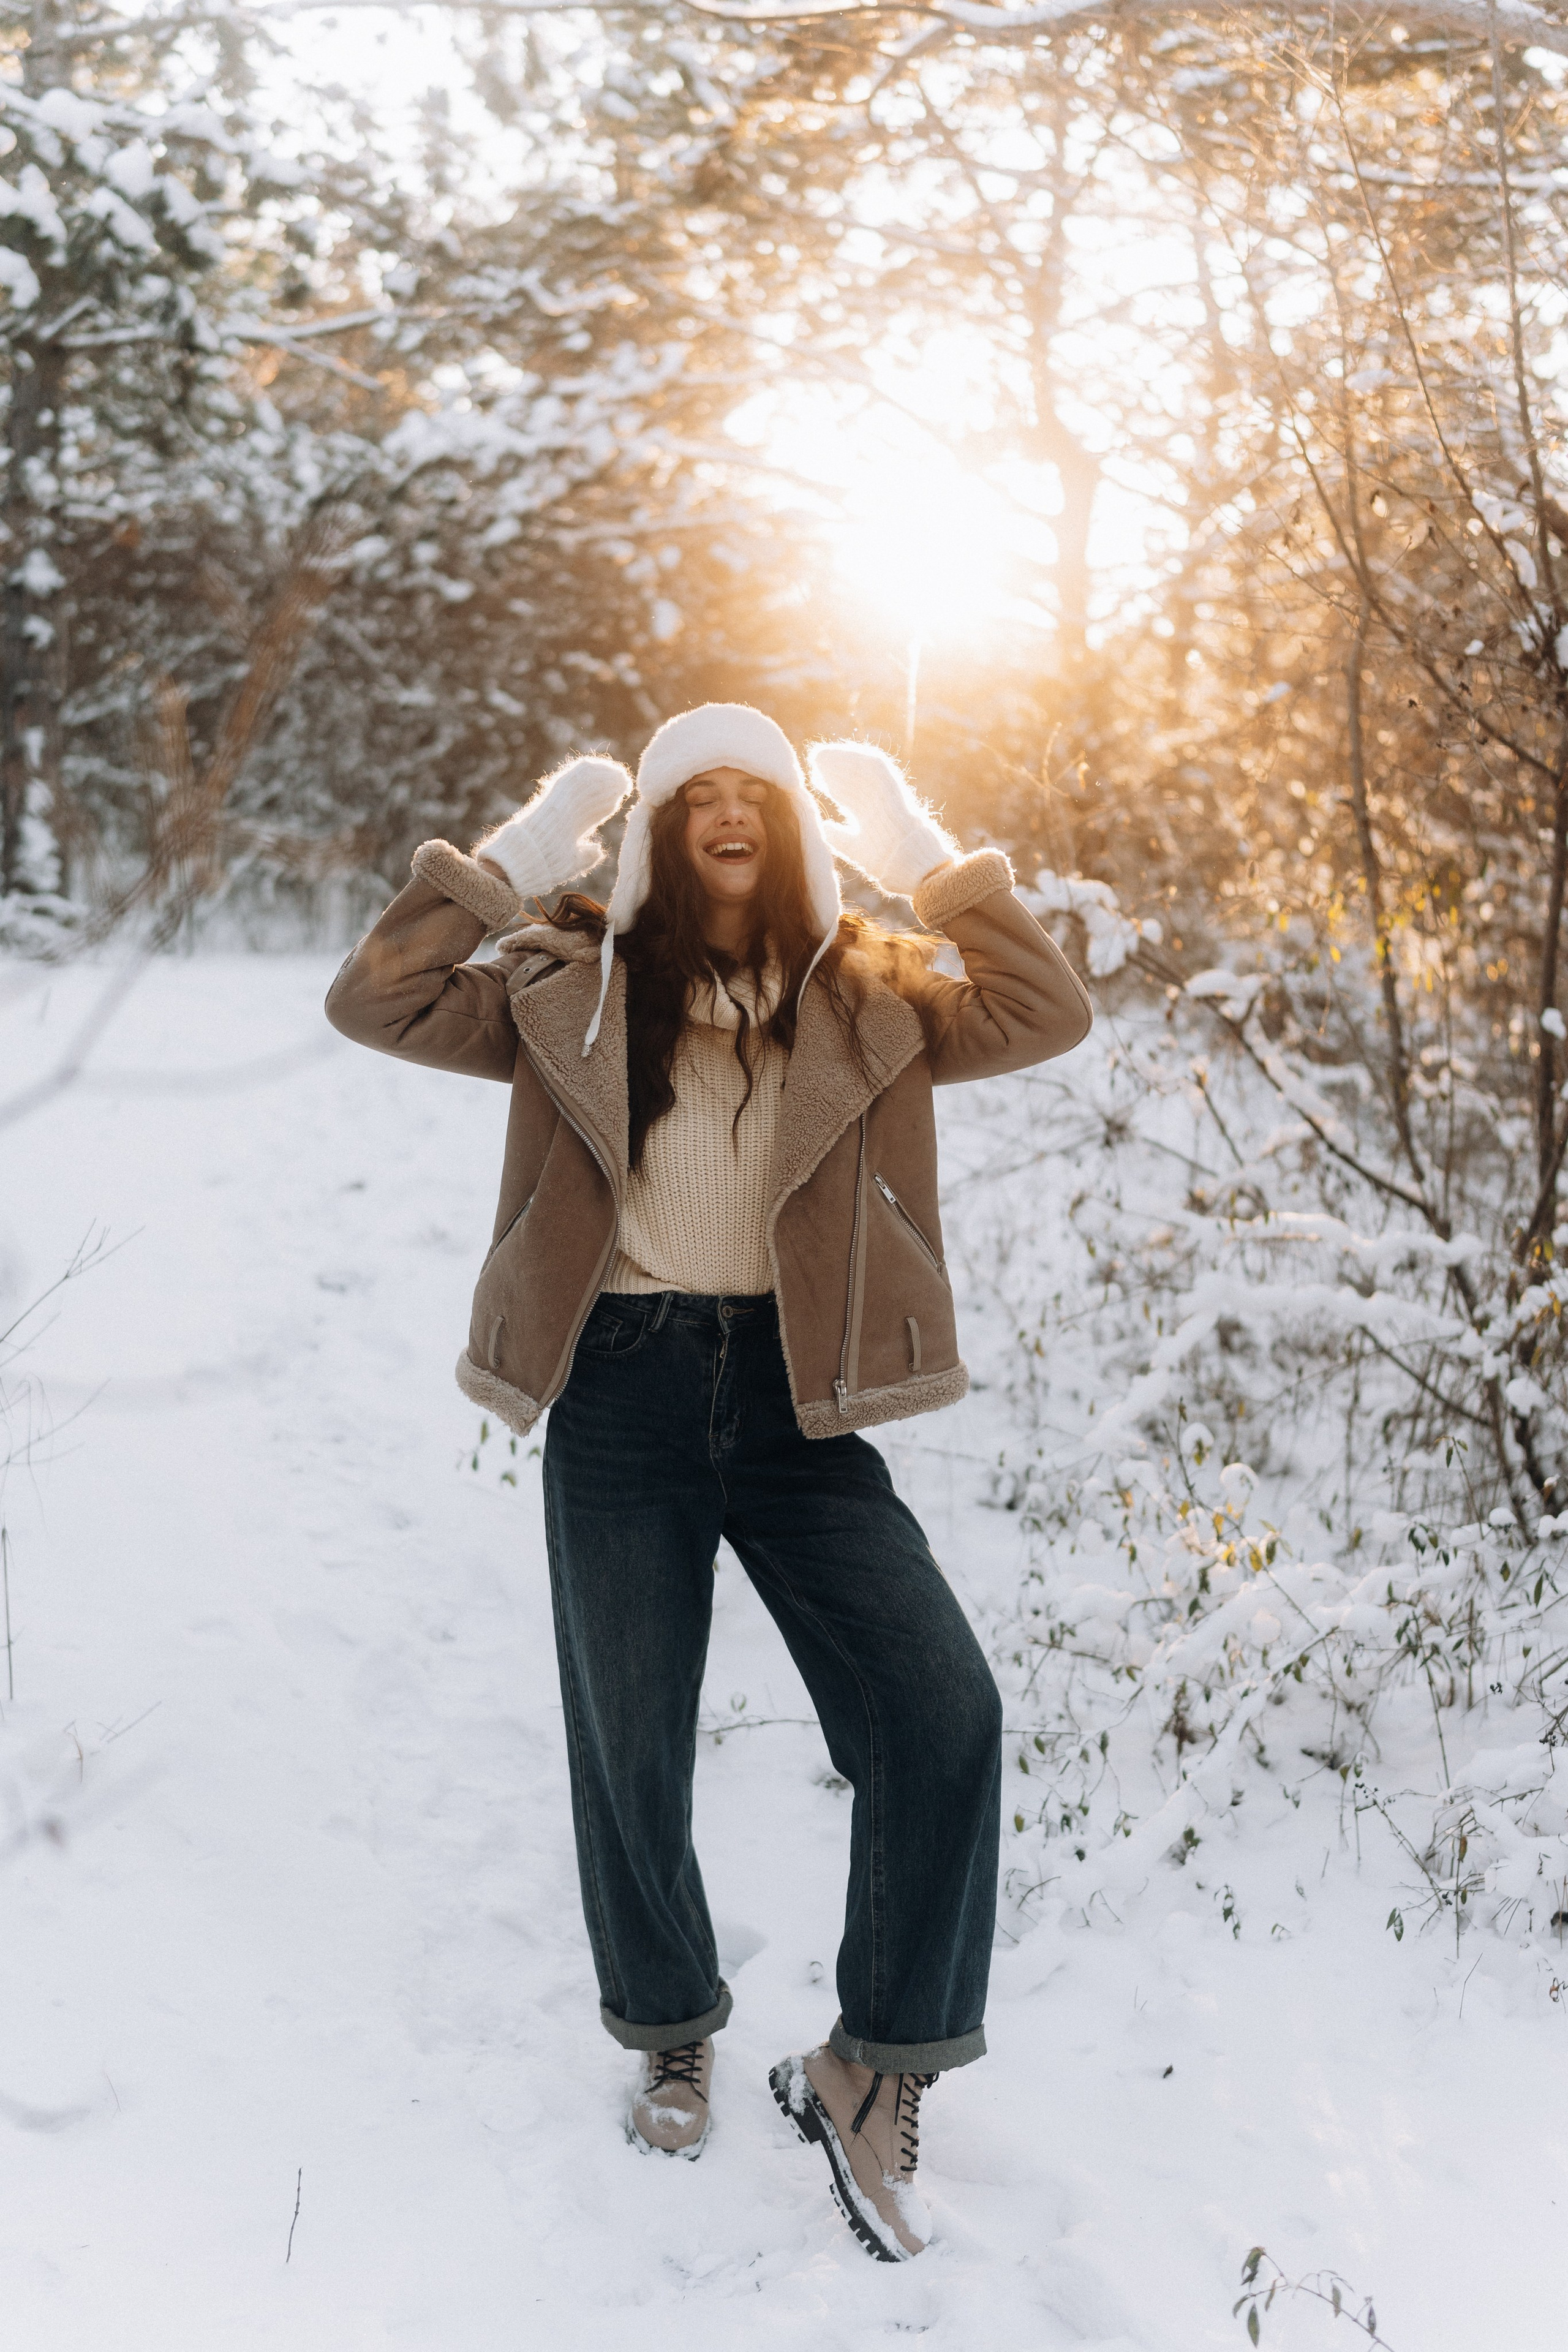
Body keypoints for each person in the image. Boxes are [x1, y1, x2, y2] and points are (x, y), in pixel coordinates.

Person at [325, 703, 1092, 2261]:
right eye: (696, 795)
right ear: (665, 828)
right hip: (621, 1389)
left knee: (941, 1709)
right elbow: (377, 998)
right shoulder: (569, 986)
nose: (727, 811)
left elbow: (1045, 1007)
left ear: (796, 831)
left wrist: (925, 859)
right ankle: (669, 2023)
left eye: (758, 792)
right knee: (632, 1732)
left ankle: (870, 2065)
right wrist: (524, 855)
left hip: (800, 1408)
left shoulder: (871, 996)